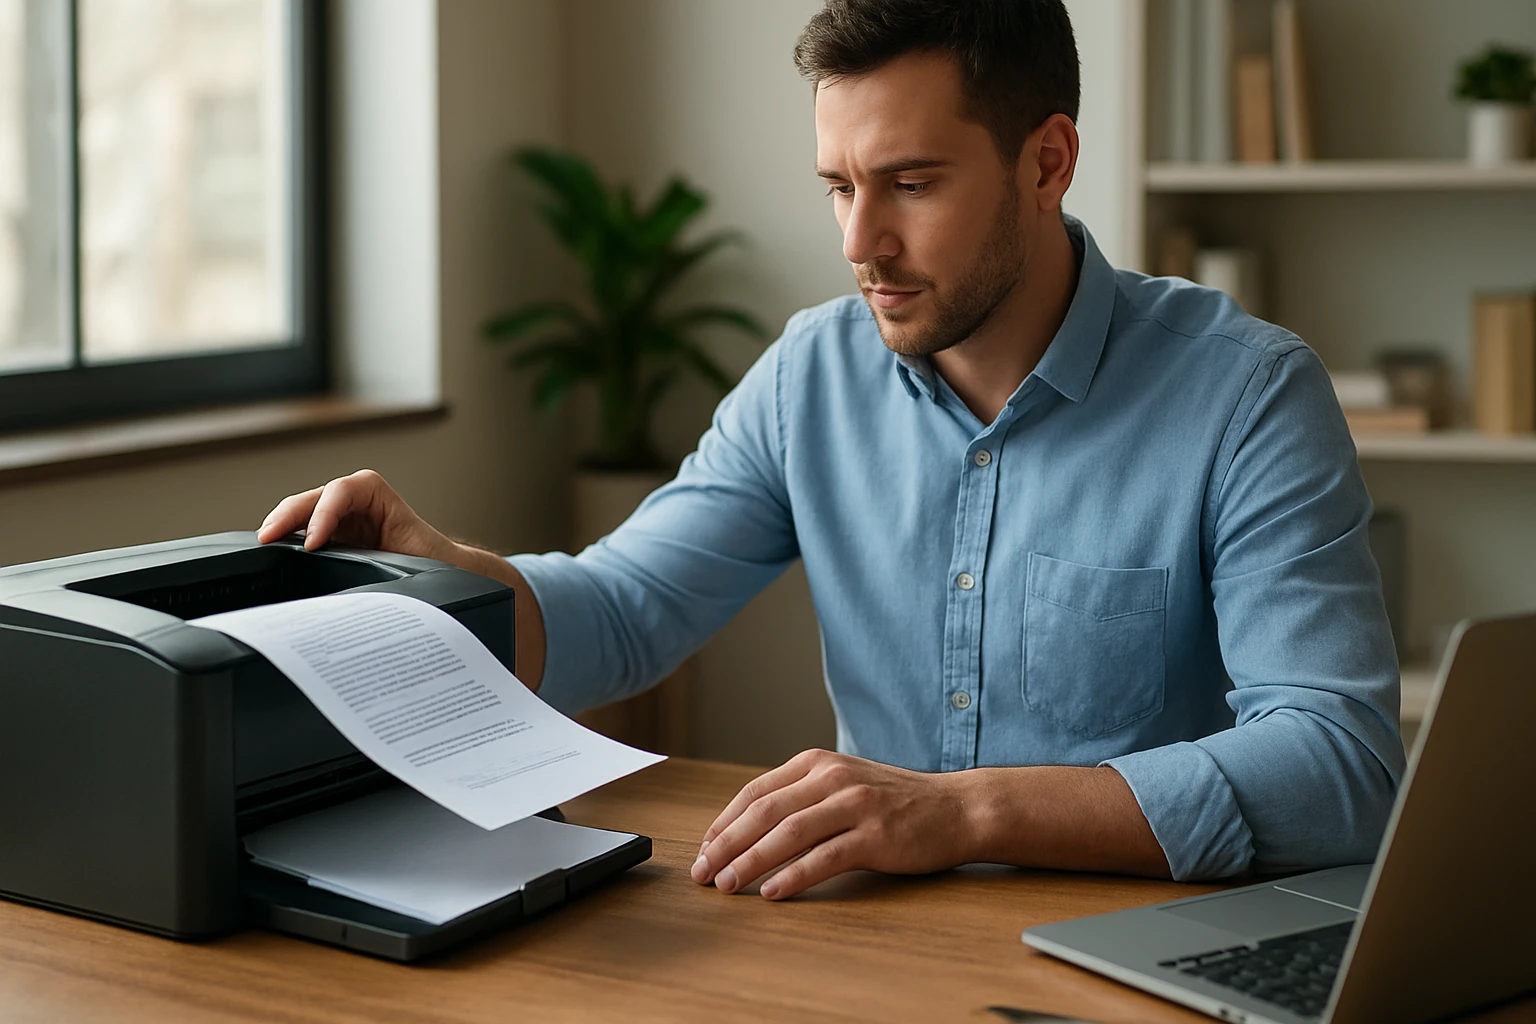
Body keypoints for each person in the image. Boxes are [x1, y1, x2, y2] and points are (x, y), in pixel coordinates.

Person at [258, 0, 1404, 901]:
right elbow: (624, 607)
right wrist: (442, 577)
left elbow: (1338, 766)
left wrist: (962, 811)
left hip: (1145, 953)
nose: (863, 243)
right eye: (840, 188)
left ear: (1047, 162)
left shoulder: (1248, 394)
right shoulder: (813, 373)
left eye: (911, 183)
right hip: (874, 946)